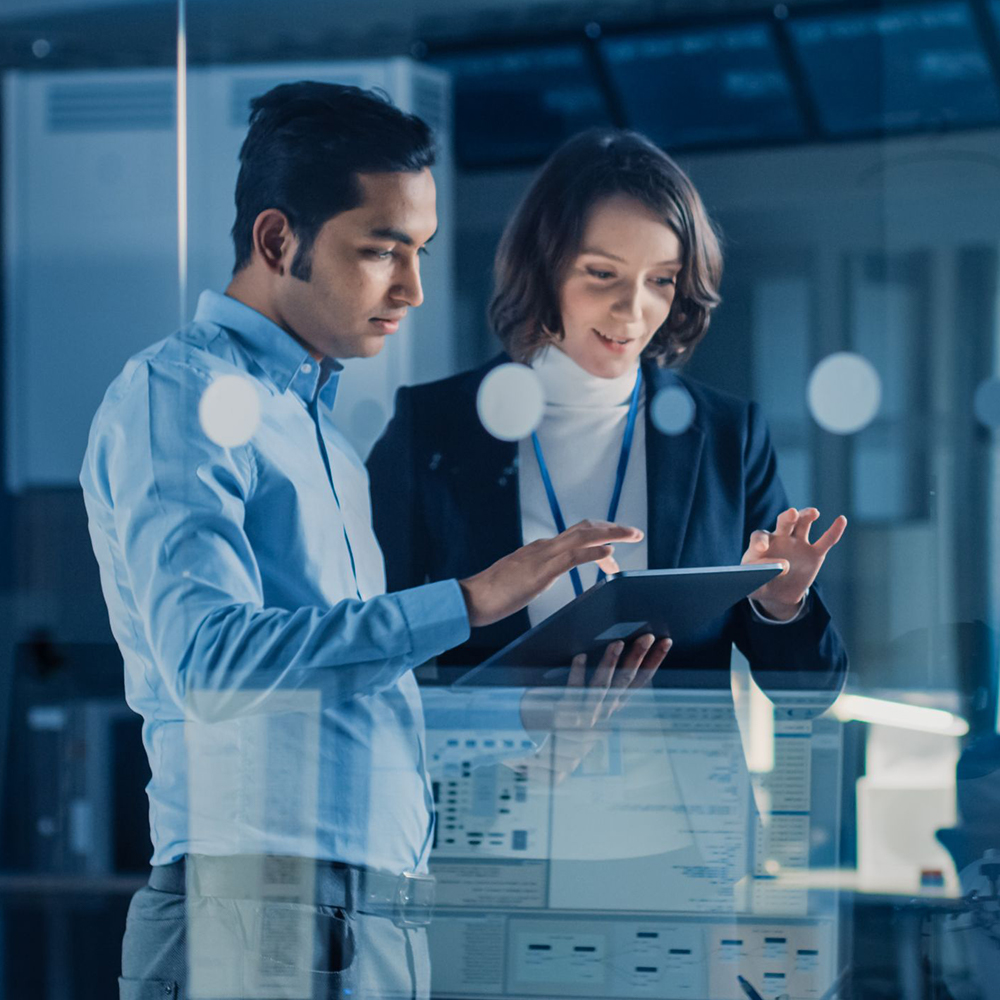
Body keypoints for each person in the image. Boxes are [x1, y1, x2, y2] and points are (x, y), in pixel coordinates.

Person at [80, 86, 668, 1000]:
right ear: (279, 242)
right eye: (381, 250)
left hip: (368, 913)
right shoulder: (179, 396)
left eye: (420, 252)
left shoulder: (322, 438)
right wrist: (472, 600)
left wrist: (519, 728)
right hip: (259, 906)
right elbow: (213, 663)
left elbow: (338, 705)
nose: (412, 288)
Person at [368, 128, 848, 679]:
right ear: (544, 267)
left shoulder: (727, 437)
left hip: (682, 765)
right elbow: (370, 640)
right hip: (495, 763)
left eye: (661, 281)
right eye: (602, 274)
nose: (632, 311)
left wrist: (781, 606)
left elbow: (807, 692)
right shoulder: (433, 427)